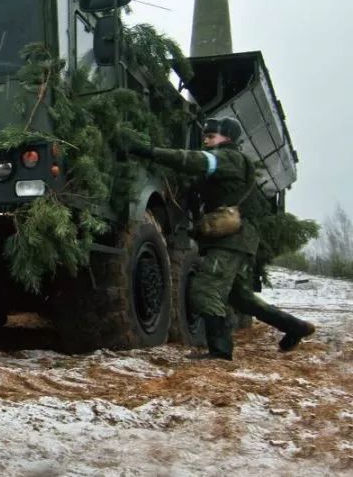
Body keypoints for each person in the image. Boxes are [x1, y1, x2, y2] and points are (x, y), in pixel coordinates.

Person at [129, 117, 315, 360]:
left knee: (205, 289)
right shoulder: (231, 159)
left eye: (211, 135)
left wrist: (148, 152)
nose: (206, 138)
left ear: (226, 137)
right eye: (205, 135)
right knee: (240, 297)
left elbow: (191, 160)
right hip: (238, 239)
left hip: (232, 240)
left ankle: (220, 351)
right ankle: (295, 327)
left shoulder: (226, 157)